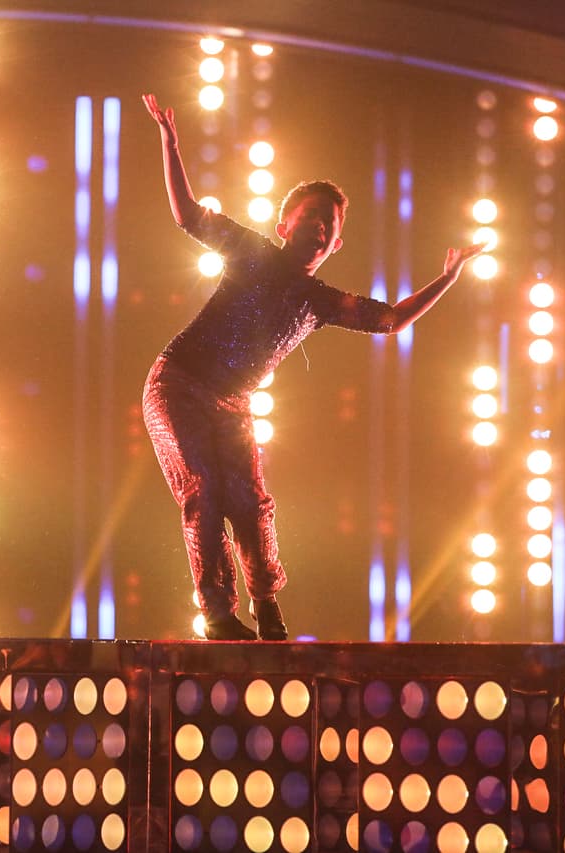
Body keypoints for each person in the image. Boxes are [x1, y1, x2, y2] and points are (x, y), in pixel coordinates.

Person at [140, 94, 483, 641]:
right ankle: (218, 613)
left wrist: (448, 278)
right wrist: (171, 142)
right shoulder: (249, 251)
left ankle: (267, 607)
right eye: (311, 215)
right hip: (178, 382)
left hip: (234, 404)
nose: (319, 226)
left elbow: (391, 320)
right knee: (203, 488)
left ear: (336, 243)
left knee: (250, 503)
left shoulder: (320, 300)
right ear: (284, 224)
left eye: (329, 222)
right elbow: (187, 214)